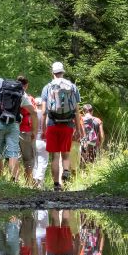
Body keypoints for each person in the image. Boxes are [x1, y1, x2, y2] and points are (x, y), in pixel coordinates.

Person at [0, 74, 37, 181]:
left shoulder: (0, 82)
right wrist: (34, 131)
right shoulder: (21, 93)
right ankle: (14, 179)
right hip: (13, 124)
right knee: (13, 153)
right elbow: (34, 112)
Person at [40, 62, 82, 190]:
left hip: (52, 124)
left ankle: (56, 185)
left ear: (52, 73)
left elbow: (43, 112)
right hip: (68, 125)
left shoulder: (47, 87)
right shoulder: (72, 87)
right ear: (63, 72)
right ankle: (66, 170)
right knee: (66, 154)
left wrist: (43, 129)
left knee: (55, 156)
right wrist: (78, 129)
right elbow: (76, 111)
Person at [18, 84, 38, 185]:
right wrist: (34, 131)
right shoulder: (29, 98)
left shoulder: (11, 96)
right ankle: (28, 182)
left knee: (15, 157)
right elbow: (34, 114)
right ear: (26, 86)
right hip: (27, 131)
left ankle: (15, 180)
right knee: (29, 158)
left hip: (13, 130)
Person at [32, 97, 48, 188]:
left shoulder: (32, 114)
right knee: (43, 161)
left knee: (34, 161)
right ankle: (39, 180)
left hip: (33, 140)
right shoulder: (45, 115)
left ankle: (34, 179)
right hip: (43, 140)